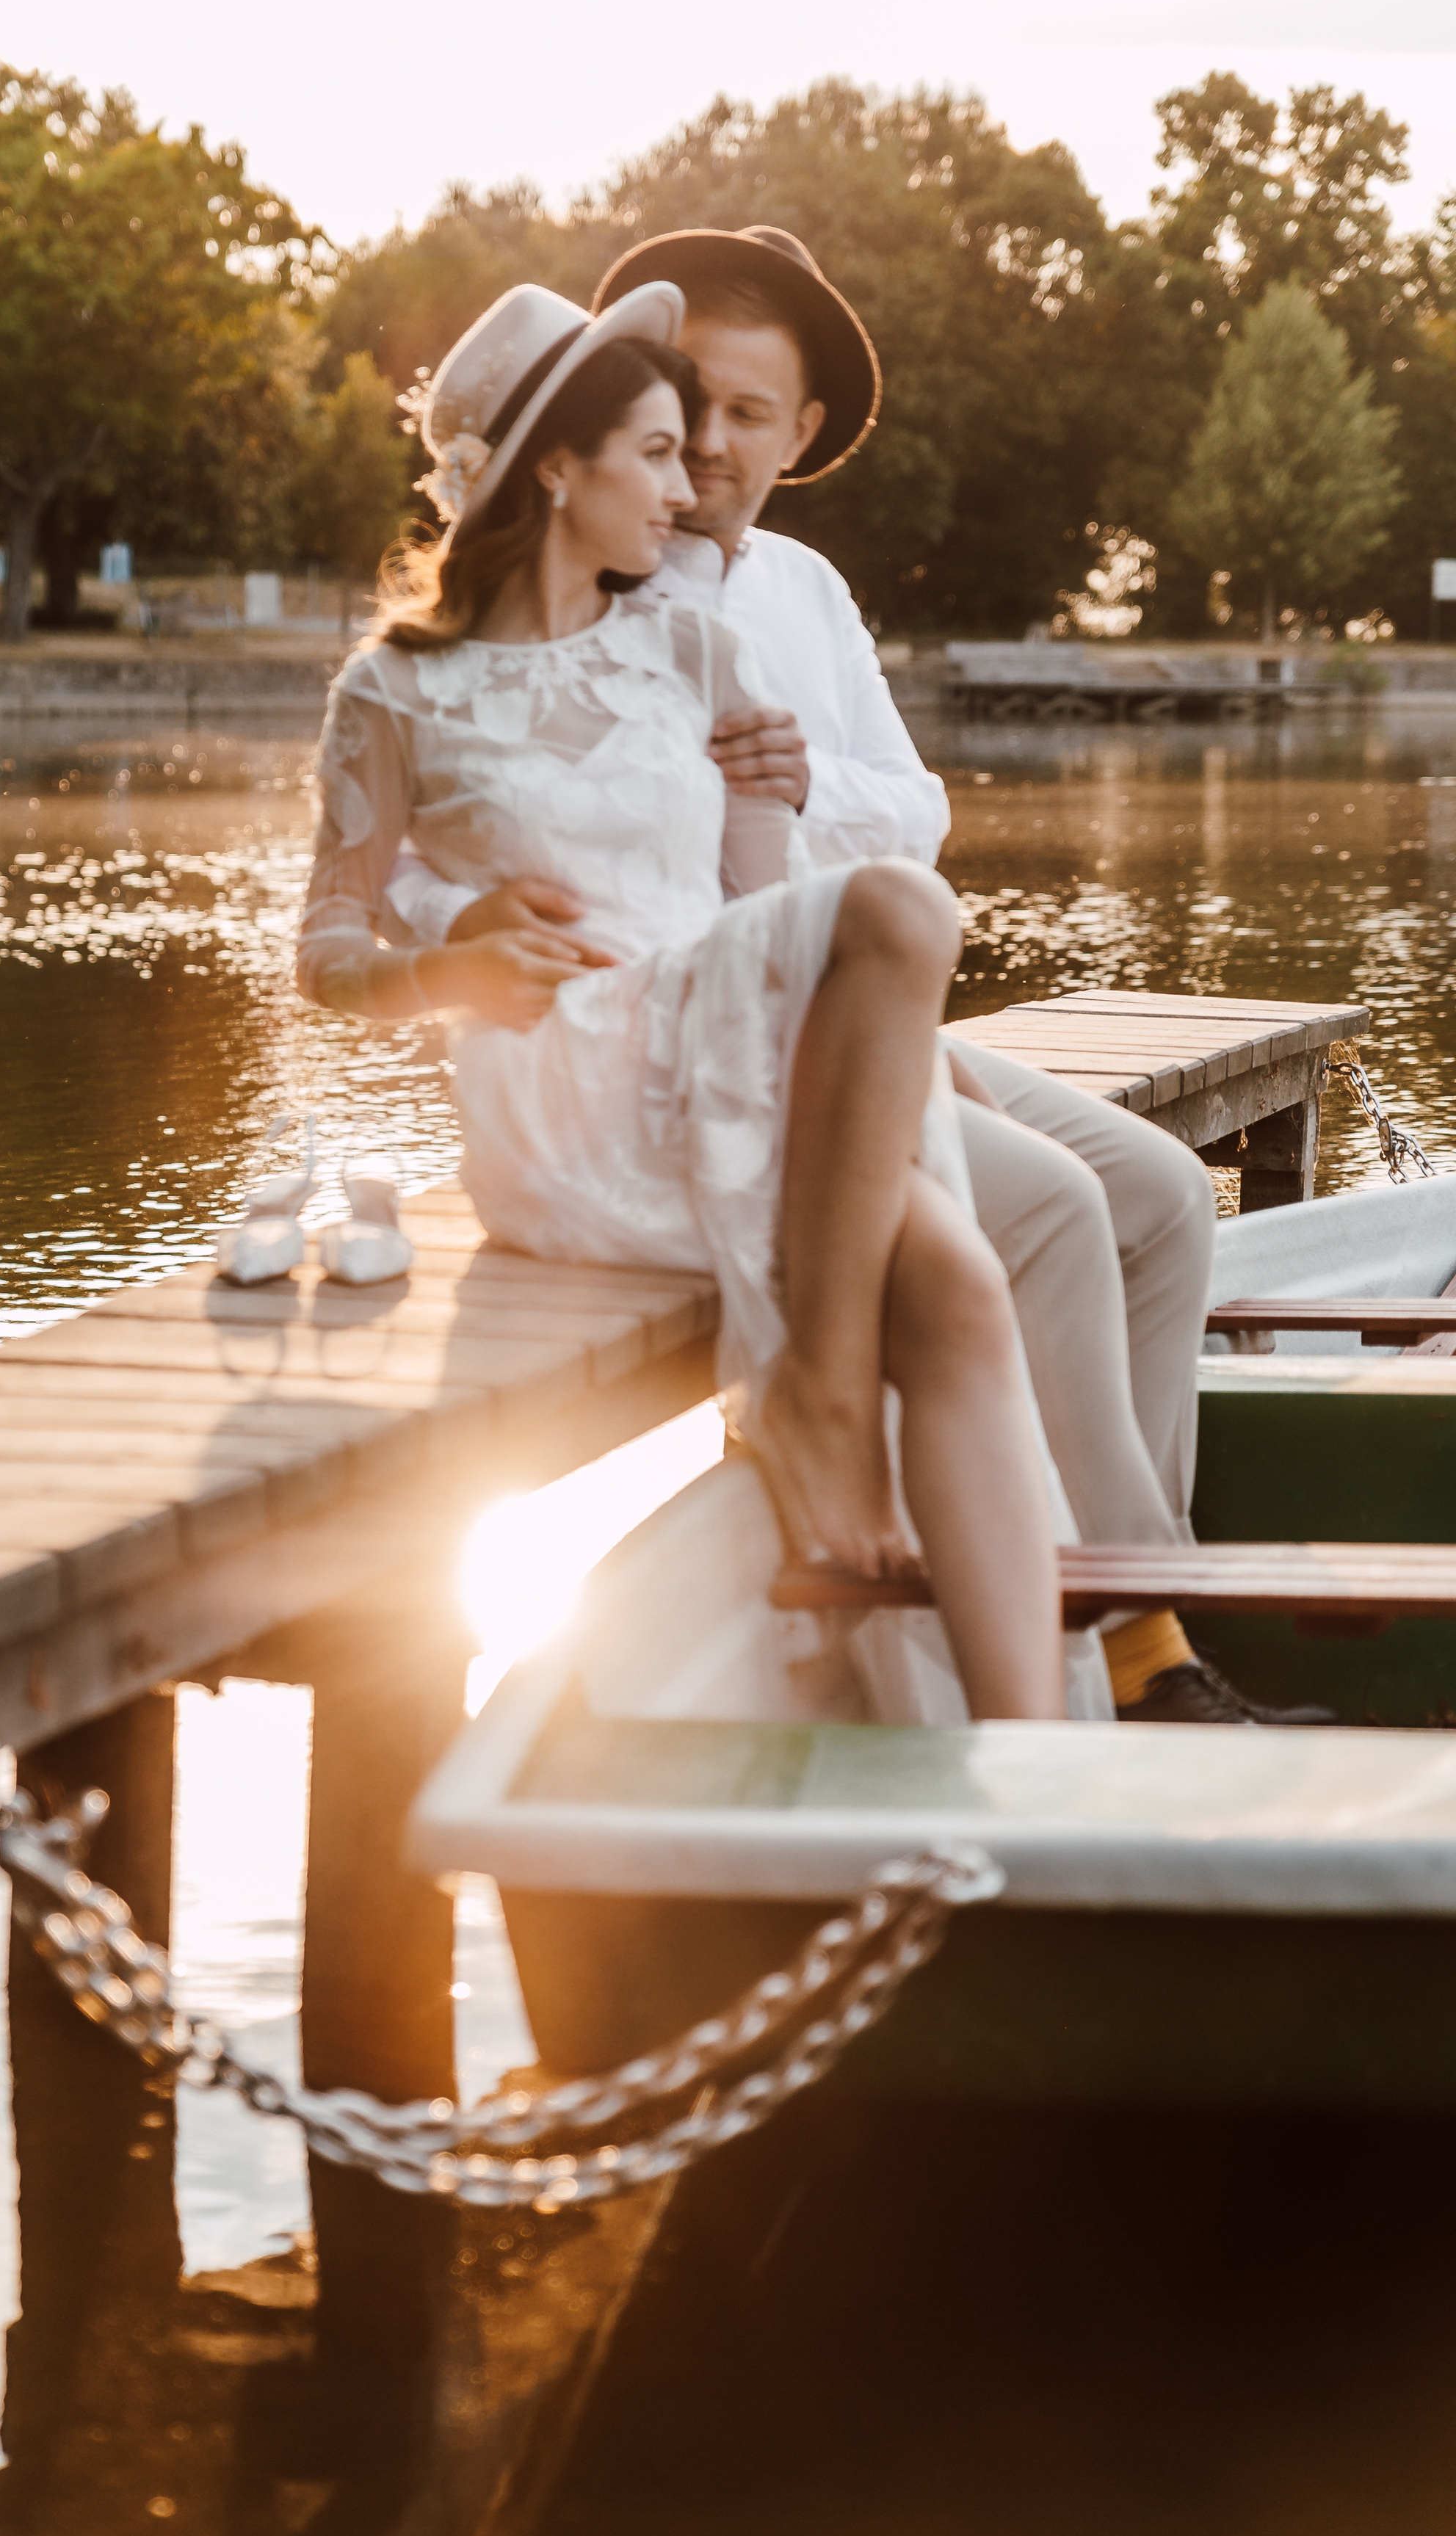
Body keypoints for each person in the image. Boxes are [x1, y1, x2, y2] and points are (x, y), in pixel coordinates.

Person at [388, 227, 1322, 1728]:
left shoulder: (798, 593)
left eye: (744, 415)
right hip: (743, 1037)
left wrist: (779, 805)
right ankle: (1131, 1657)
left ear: (797, 436)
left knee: (1151, 1197)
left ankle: (1135, 1633)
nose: (699, 443)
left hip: (843, 1000)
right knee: (1046, 1221)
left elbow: (904, 816)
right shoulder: (592, 599)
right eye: (677, 404)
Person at [297, 278, 1069, 1721]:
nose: (690, 481)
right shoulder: (393, 693)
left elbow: (753, 913)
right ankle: (816, 1402)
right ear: (553, 468)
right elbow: (325, 951)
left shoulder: (699, 651)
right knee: (904, 909)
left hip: (722, 1053)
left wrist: (775, 808)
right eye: (652, 451)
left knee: (961, 1293)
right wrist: (447, 963)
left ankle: (1034, 1764)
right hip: (570, 1093)